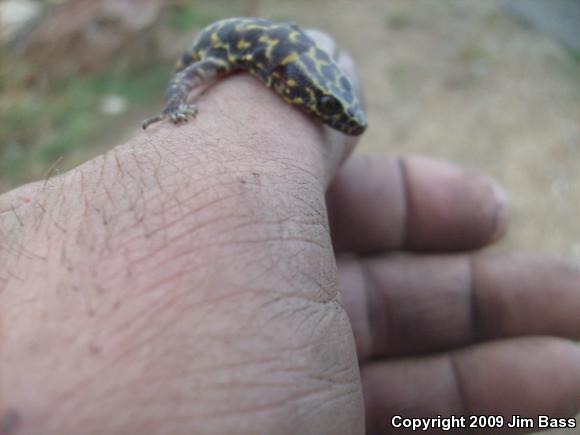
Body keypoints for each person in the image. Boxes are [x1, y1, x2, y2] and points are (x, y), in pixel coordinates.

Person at [0, 42, 578, 435]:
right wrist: (177, 110)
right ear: (281, 81)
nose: (341, 117)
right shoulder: (244, 56)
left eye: (338, 103)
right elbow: (188, 75)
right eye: (327, 105)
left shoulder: (281, 61)